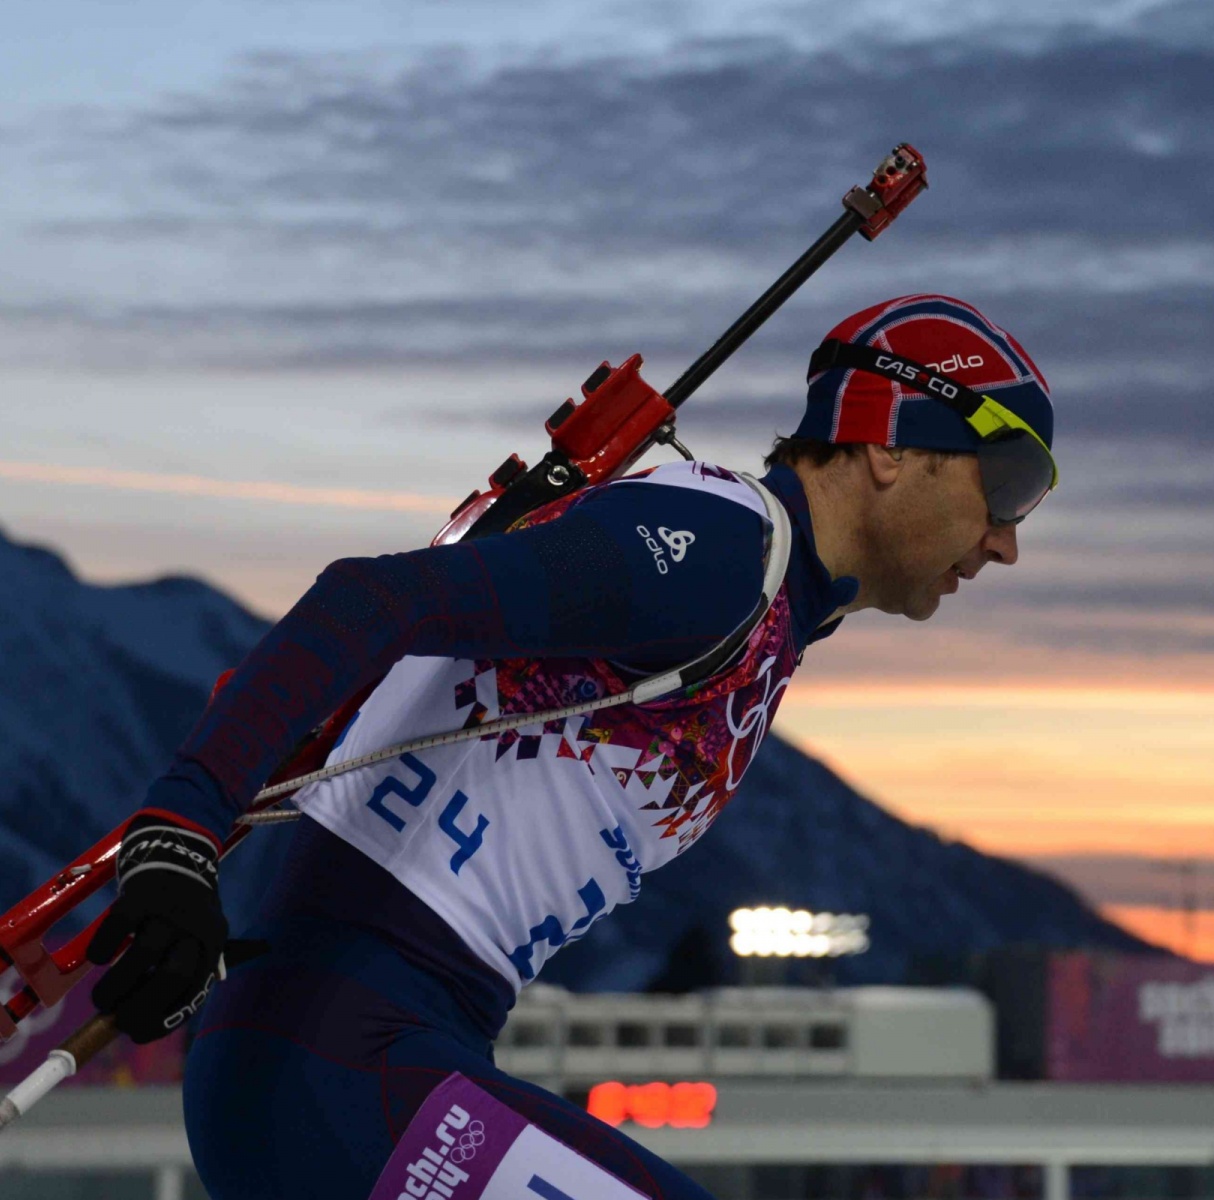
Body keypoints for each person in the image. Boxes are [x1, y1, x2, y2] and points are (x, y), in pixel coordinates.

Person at [85, 294, 1057, 1199]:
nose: (1008, 541)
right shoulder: (719, 549)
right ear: (888, 445)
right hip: (338, 1060)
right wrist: (175, 837)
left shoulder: (768, 609)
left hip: (365, 1056)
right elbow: (370, 600)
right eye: (1007, 481)